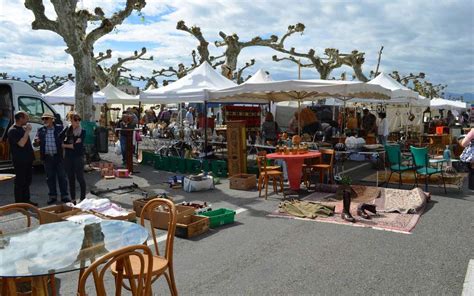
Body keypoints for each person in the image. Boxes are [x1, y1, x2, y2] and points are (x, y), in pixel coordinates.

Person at [34, 111, 70, 204]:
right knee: (50, 177)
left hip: (58, 157)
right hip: (47, 158)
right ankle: (52, 196)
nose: (44, 120)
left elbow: (67, 137)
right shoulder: (41, 130)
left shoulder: (60, 128)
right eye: (43, 119)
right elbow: (35, 143)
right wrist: (36, 142)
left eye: (46, 118)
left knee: (62, 177)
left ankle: (64, 195)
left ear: (52, 120)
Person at [7, 111, 37, 206]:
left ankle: (26, 201)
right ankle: (19, 203)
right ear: (20, 118)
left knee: (27, 180)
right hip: (20, 161)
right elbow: (21, 144)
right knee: (20, 182)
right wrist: (27, 131)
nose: (28, 120)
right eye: (26, 118)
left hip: (27, 160)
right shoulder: (12, 130)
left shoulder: (22, 129)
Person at [60, 113, 86, 204]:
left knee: (80, 178)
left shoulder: (82, 131)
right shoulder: (67, 129)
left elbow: (77, 147)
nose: (78, 121)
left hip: (78, 157)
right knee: (71, 178)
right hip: (68, 157)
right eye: (75, 119)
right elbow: (59, 137)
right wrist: (70, 145)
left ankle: (83, 198)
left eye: (79, 119)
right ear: (71, 120)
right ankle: (73, 199)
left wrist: (65, 145)